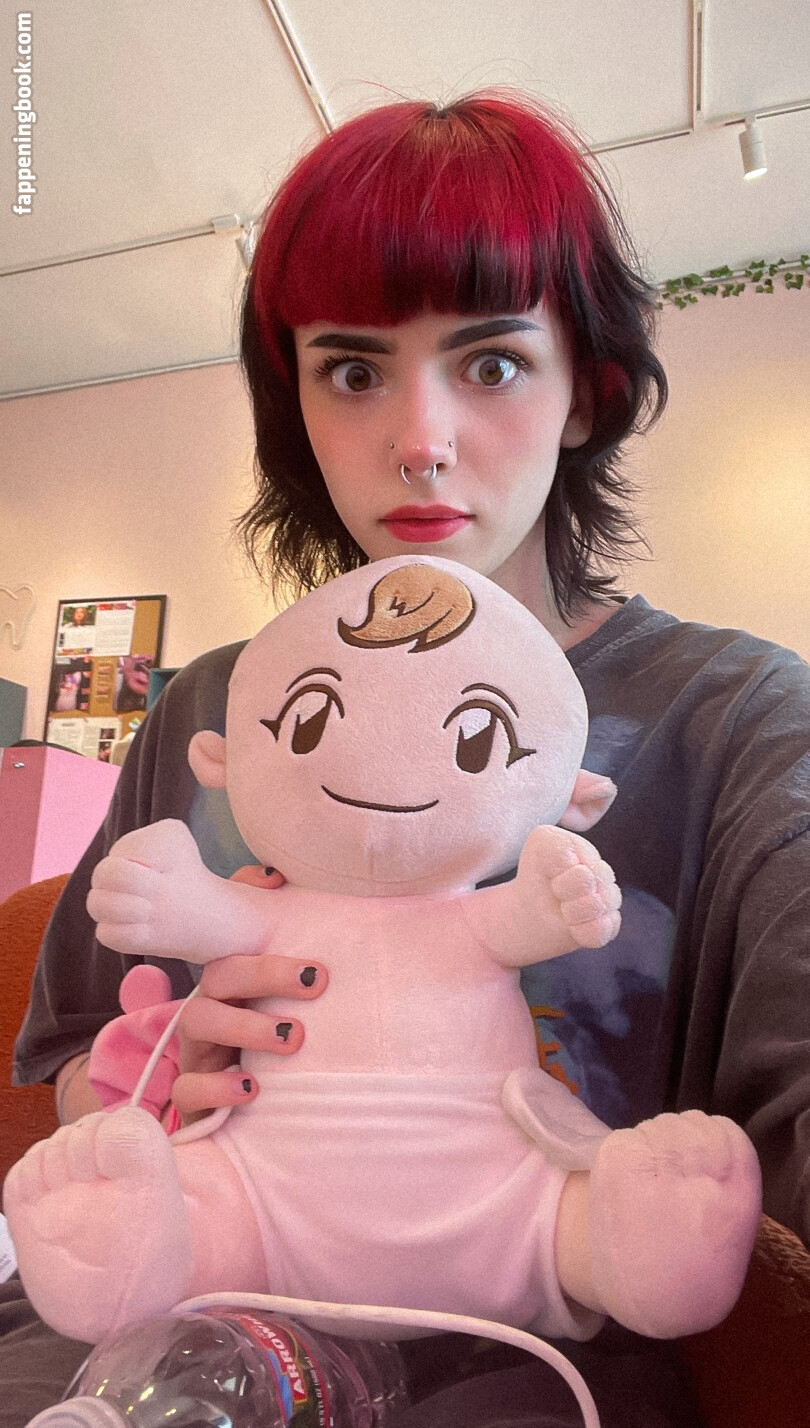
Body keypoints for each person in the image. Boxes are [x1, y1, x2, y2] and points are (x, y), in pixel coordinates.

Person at [3, 92, 809, 1427]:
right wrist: (149, 1077)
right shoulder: (210, 706)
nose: (418, 440)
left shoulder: (735, 718)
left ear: (585, 389)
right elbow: (73, 1063)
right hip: (168, 1339)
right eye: (353, 371)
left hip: (531, 1359)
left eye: (490, 364)